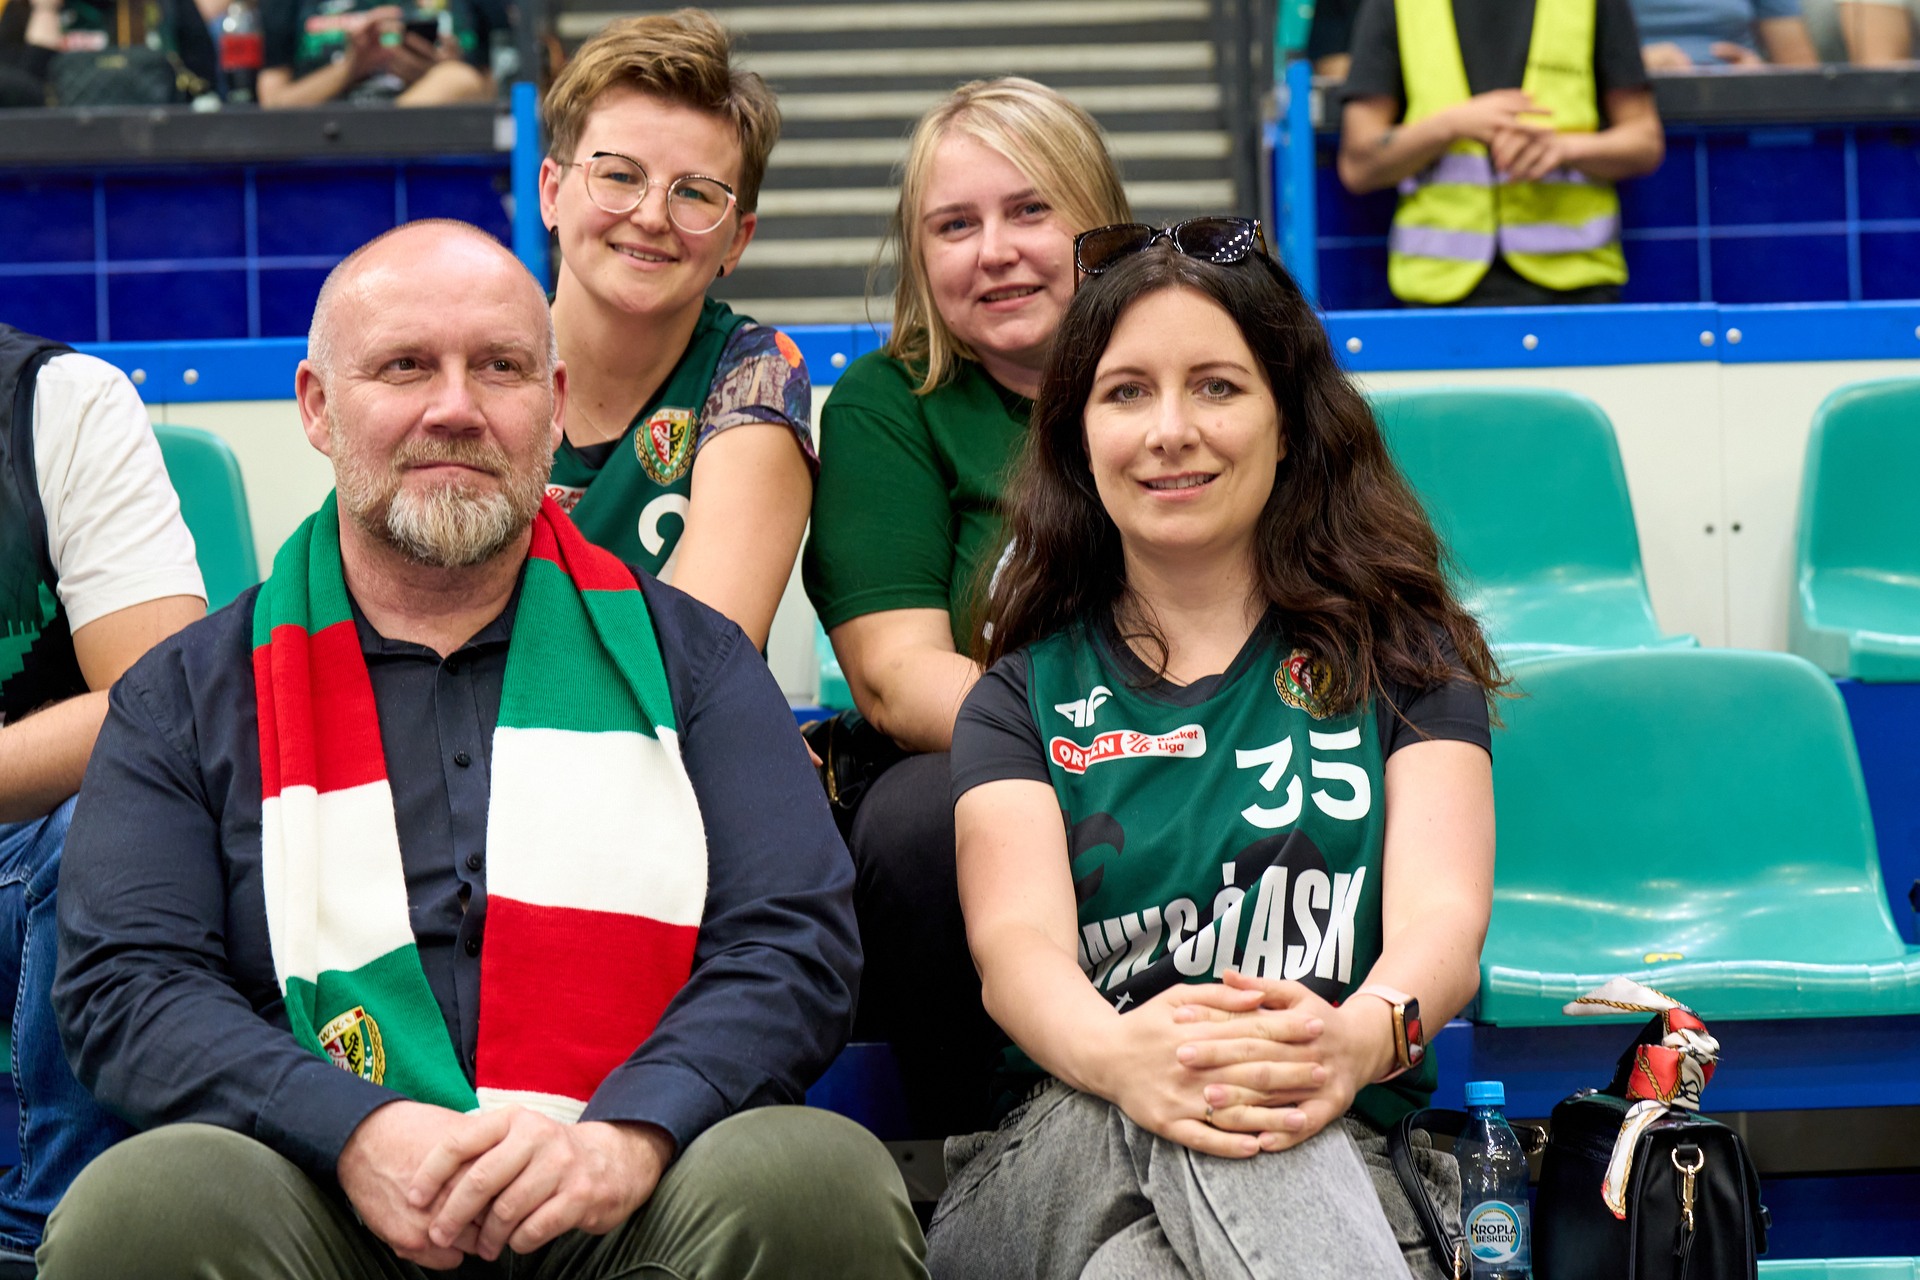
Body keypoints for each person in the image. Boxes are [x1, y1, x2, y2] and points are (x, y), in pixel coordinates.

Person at [41, 220, 928, 1280]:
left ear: (551, 405)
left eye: (499, 368)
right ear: (318, 407)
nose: (455, 407)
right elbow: (128, 983)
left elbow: (791, 942)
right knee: (145, 1203)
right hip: (321, 1197)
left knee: (816, 1176)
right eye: (405, 366)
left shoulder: (694, 666)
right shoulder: (185, 695)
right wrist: (357, 1132)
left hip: (626, 1199)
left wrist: (630, 1134)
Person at [924, 225, 1500, 1279]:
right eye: (1127, 393)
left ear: (1289, 425)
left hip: (1351, 1151)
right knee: (1224, 1084)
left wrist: (1356, 1040)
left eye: (1218, 388)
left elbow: (1444, 929)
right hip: (1060, 1149)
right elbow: (1016, 954)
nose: (1171, 430)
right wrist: (1131, 1057)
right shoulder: (1019, 697)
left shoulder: (1404, 661)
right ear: (1079, 436)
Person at [801, 76, 1130, 1134]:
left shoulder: (1192, 376)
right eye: (955, 225)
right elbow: (897, 678)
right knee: (922, 817)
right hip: (997, 757)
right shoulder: (890, 405)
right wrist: (1111, 750)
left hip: (1209, 737)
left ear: (1098, 221)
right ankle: (989, 1147)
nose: (995, 251)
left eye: (1029, 210)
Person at [0, 323, 205, 1274]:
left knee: (114, 830)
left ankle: (55, 1231)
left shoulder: (58, 402)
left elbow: (155, 700)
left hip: (31, 847)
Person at [539, 11, 811, 651]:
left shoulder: (755, 372)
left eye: (695, 193)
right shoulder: (477, 361)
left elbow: (700, 660)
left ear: (736, 239)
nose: (652, 216)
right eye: (618, 175)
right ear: (551, 192)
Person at [1338, 0, 1666, 307]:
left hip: (1579, 286)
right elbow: (1358, 167)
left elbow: (1645, 142)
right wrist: (1449, 126)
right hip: (1437, 292)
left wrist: (1564, 148)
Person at [258, 0, 492, 107]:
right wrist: (350, 69)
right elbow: (272, 104)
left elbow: (495, 97)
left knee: (455, 79)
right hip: (324, 138)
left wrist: (437, 72)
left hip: (435, 141)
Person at [1632, 0, 1819, 65]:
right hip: (1632, 101)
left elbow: (1801, 71)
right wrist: (1633, 69)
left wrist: (1762, 78)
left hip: (1741, 108)